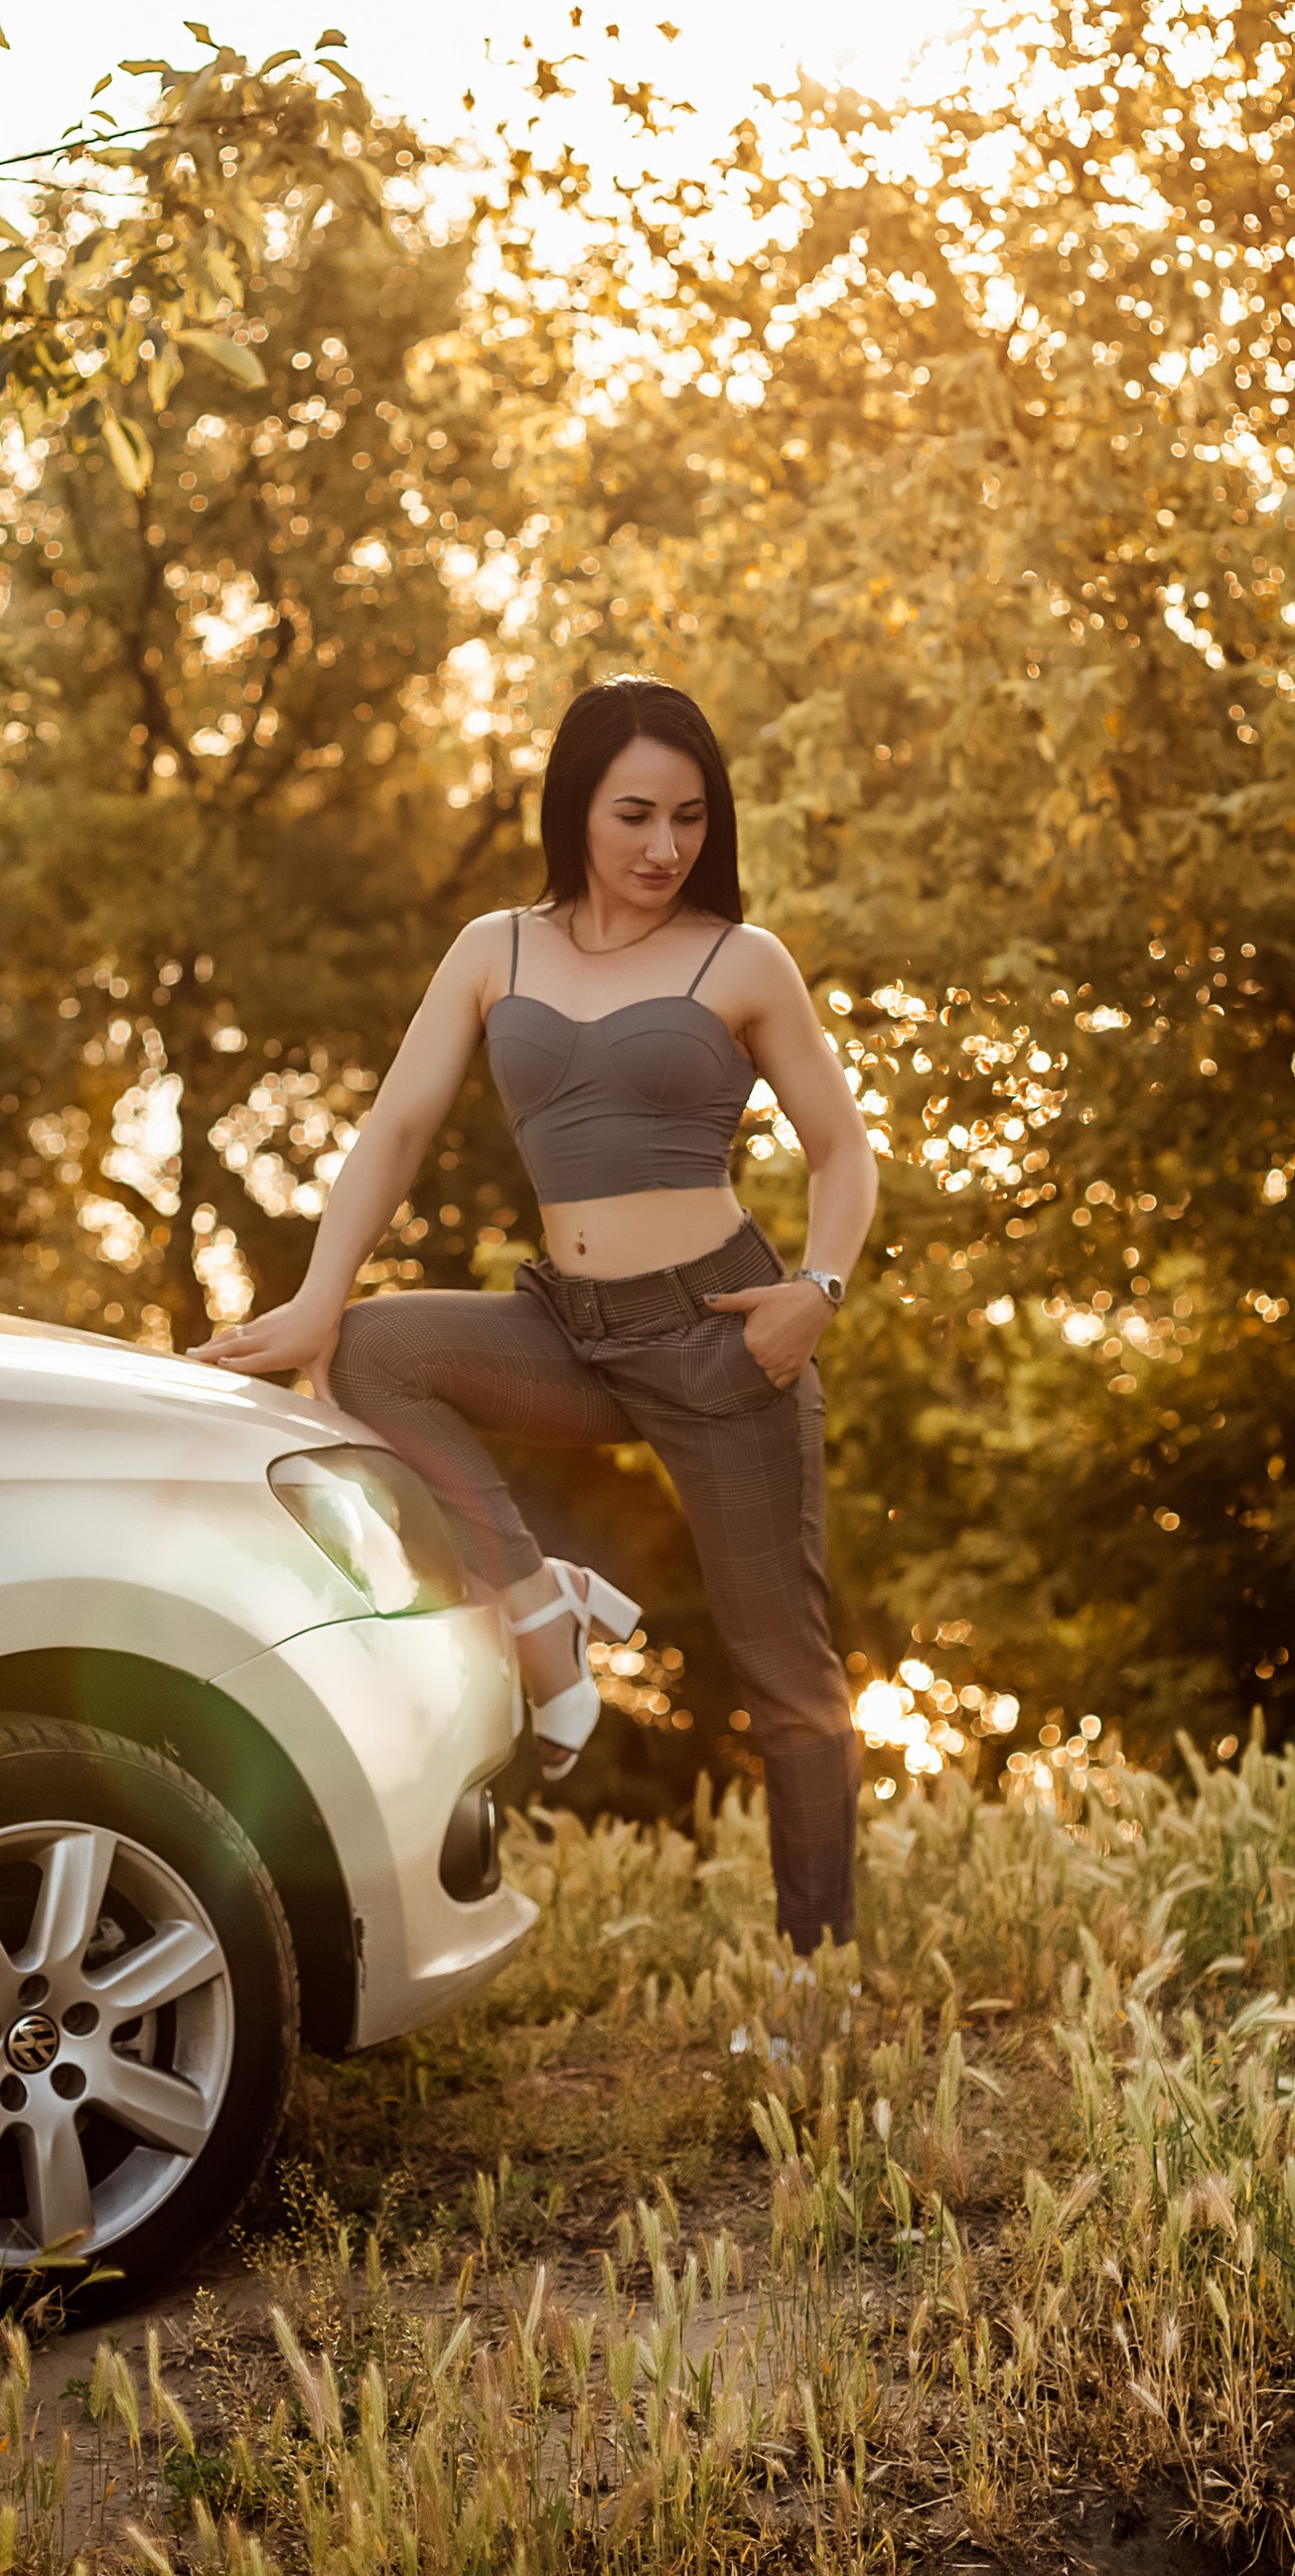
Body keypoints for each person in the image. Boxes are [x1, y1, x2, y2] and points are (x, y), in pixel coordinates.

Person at [204, 675, 877, 1952]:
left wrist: (816, 1292)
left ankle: (816, 1974)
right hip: (574, 1328)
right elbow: (396, 1128)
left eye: (687, 817)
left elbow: (843, 1147)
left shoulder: (743, 959)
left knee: (784, 1678)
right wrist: (312, 1301)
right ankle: (535, 1612)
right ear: (575, 808)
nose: (662, 847)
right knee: (374, 1353)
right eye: (632, 813)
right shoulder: (492, 948)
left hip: (722, 1337)